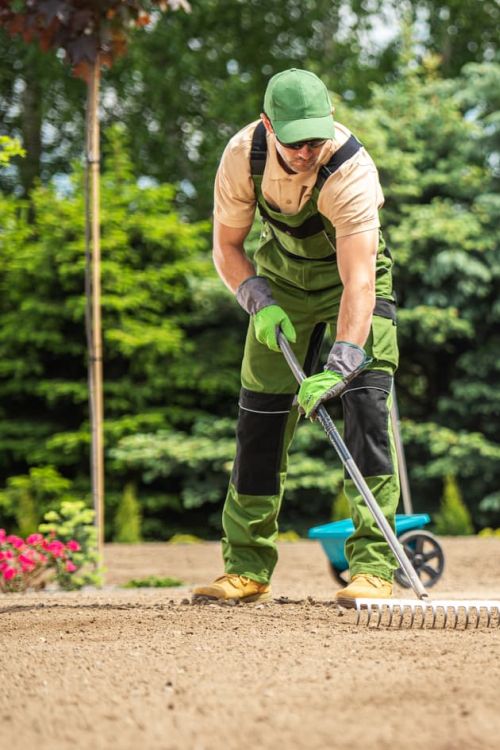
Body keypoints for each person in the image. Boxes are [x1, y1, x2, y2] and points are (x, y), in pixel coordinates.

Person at [193, 68, 399, 607]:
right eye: (295, 142)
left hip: (354, 285)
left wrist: (343, 361)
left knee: (366, 411)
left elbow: (359, 280)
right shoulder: (242, 157)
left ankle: (373, 568)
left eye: (315, 139)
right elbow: (227, 247)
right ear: (268, 126)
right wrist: (257, 301)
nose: (307, 152)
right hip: (281, 283)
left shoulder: (350, 169)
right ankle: (247, 568)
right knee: (259, 420)